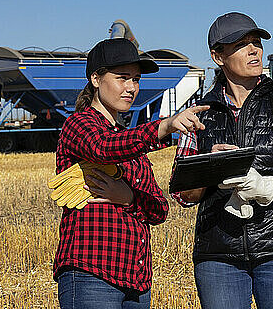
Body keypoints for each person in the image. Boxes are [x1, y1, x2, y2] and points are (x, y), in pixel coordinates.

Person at [171, 13, 273, 309]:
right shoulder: (198, 112)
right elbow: (183, 194)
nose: (254, 50)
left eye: (256, 42)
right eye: (242, 44)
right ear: (218, 56)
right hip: (218, 256)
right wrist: (210, 169)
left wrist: (264, 187)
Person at [53, 37, 208, 309]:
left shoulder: (131, 141)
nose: (131, 88)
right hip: (91, 273)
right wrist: (166, 126)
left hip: (135, 281)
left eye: (136, 79)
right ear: (95, 79)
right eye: (122, 78)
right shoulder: (78, 125)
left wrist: (128, 199)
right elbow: (102, 148)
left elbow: (159, 209)